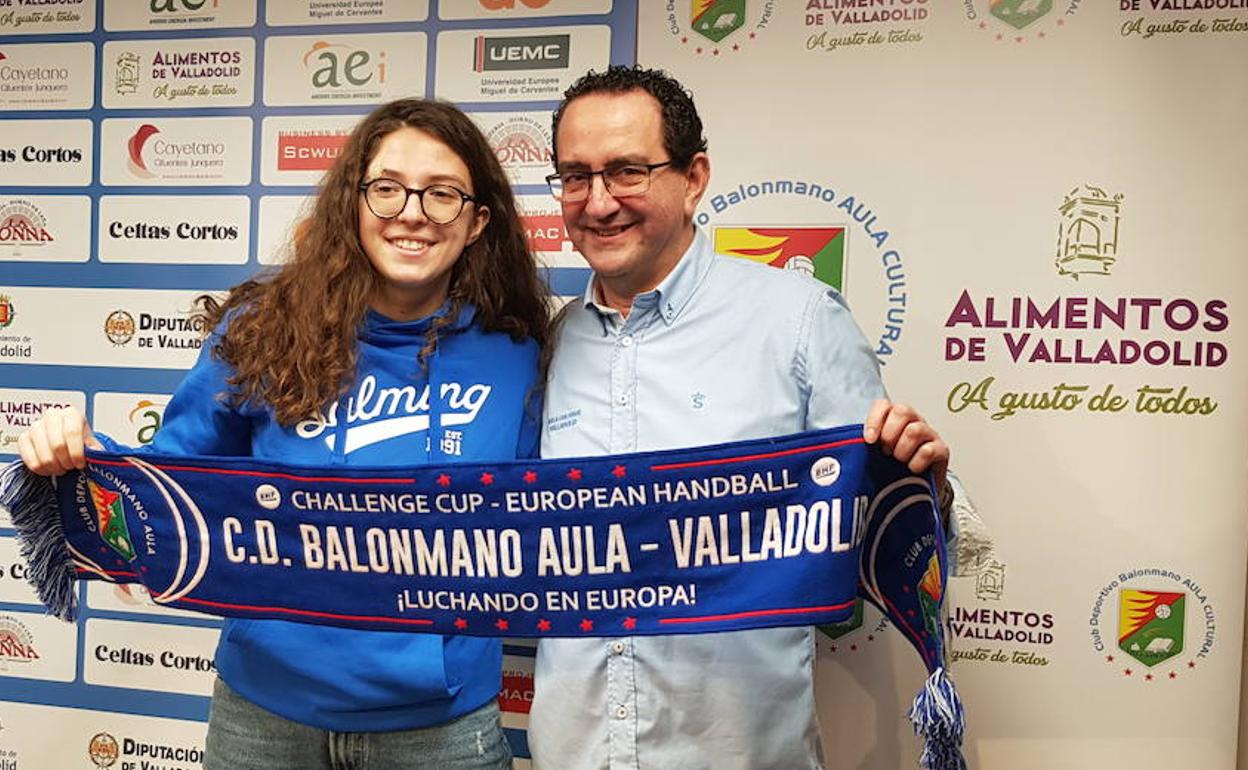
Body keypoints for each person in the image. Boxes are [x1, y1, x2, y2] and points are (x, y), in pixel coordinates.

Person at [17, 98, 548, 770]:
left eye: (441, 194)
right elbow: (174, 489)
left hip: (439, 728)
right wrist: (83, 459)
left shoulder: (517, 354)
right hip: (263, 719)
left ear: (476, 223)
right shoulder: (261, 331)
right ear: (354, 204)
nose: (412, 212)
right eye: (386, 189)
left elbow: (544, 527)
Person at [533, 65, 954, 770]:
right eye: (575, 176)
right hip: (572, 754)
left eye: (627, 171)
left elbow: (892, 530)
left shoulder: (798, 323)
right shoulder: (553, 343)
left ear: (695, 176)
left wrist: (924, 489)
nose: (598, 202)